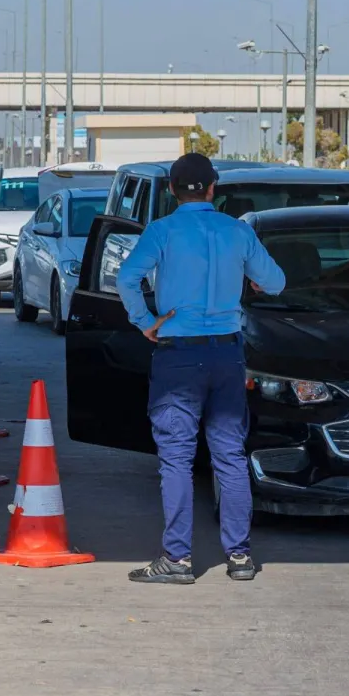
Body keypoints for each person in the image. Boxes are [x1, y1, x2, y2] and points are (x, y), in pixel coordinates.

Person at [117, 153, 286, 584]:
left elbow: (126, 277)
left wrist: (144, 322)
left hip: (177, 352)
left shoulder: (162, 231)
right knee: (229, 455)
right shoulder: (238, 231)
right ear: (213, 188)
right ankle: (240, 556)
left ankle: (177, 559)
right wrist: (252, 280)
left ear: (172, 189)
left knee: (176, 458)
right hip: (228, 353)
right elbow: (277, 281)